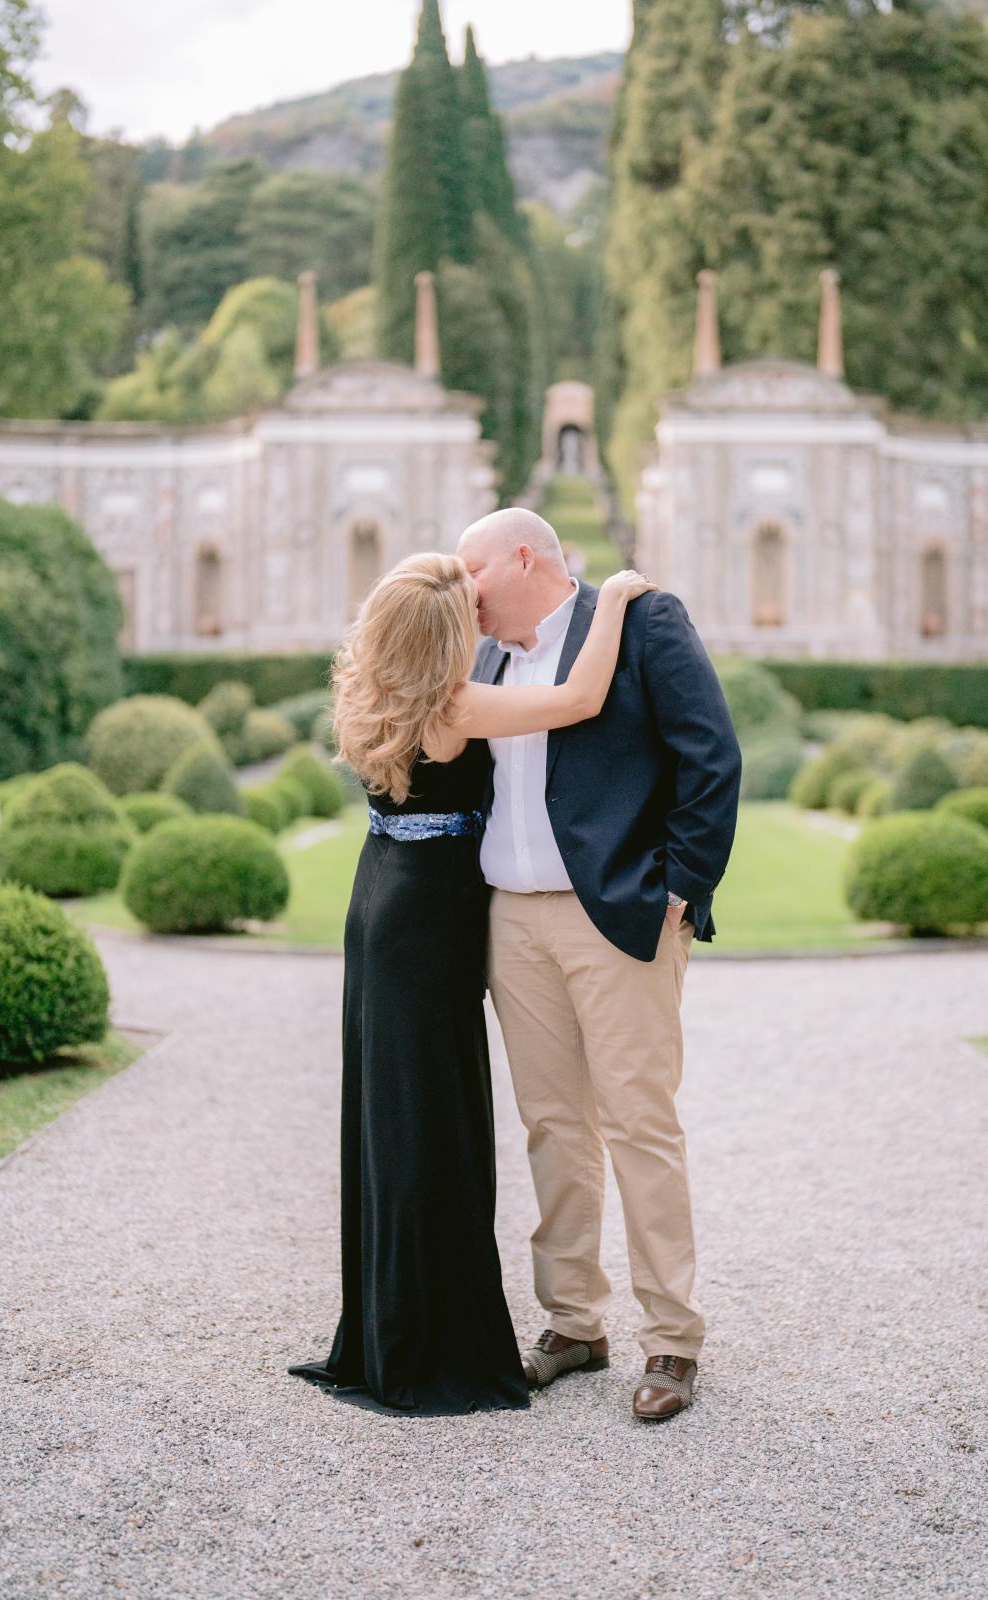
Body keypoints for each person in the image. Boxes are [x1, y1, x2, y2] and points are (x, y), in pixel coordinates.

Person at [287, 551, 656, 1416]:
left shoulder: (372, 691)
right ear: (439, 636)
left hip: (378, 900)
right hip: (429, 922)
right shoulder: (451, 706)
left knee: (392, 1114)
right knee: (431, 1121)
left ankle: (388, 1329)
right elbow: (579, 700)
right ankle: (429, 1345)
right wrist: (619, 598)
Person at [458, 508, 742, 1422]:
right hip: (512, 920)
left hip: (618, 915)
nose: (466, 593)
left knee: (638, 1122)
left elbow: (711, 757)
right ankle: (575, 1322)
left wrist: (681, 887)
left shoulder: (643, 621)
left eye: (475, 572)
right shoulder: (486, 657)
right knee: (550, 1124)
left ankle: (673, 1340)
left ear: (525, 556)